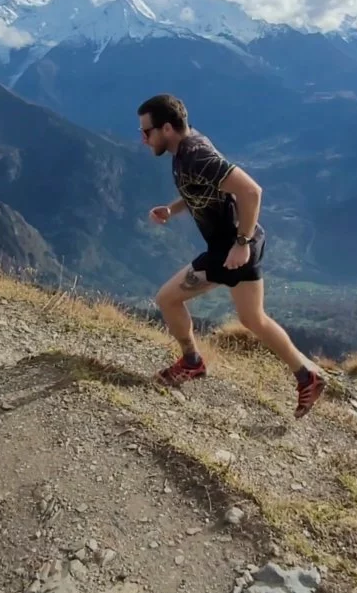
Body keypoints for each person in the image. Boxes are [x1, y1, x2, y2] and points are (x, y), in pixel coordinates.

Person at [137, 93, 326, 418]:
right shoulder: (187, 148)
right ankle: (307, 375)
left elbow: (251, 191)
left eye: (146, 132)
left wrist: (242, 242)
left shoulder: (195, 154)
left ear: (167, 128)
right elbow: (202, 189)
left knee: (167, 299)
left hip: (232, 249)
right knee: (254, 319)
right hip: (233, 247)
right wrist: (173, 208)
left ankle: (192, 363)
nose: (143, 139)